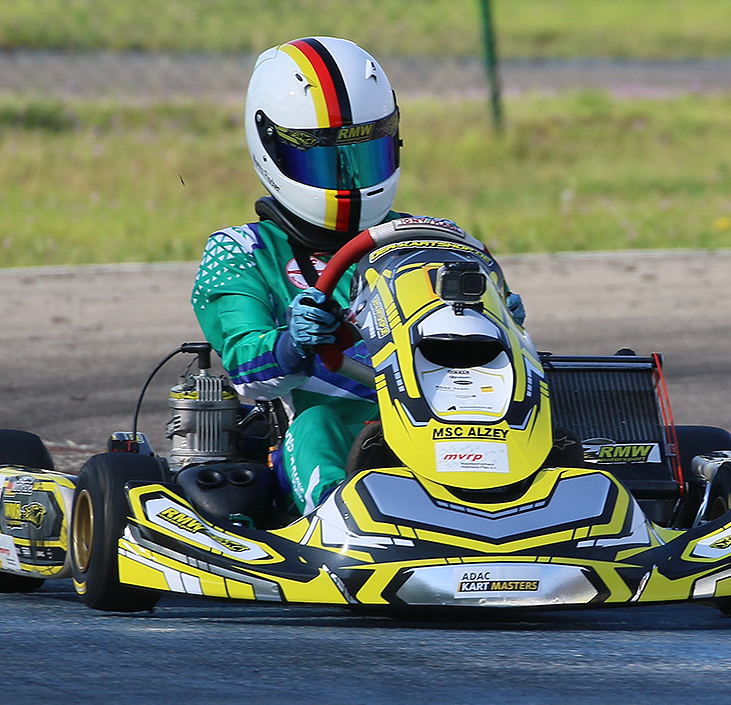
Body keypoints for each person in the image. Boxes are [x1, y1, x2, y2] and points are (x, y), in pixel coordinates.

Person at [191, 36, 523, 515]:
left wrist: (503, 322)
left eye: (363, 155)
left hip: (446, 429)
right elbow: (245, 371)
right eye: (323, 159)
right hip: (318, 438)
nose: (348, 178)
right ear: (272, 150)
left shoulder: (429, 238)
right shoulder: (241, 250)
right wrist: (292, 344)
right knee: (317, 422)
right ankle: (339, 517)